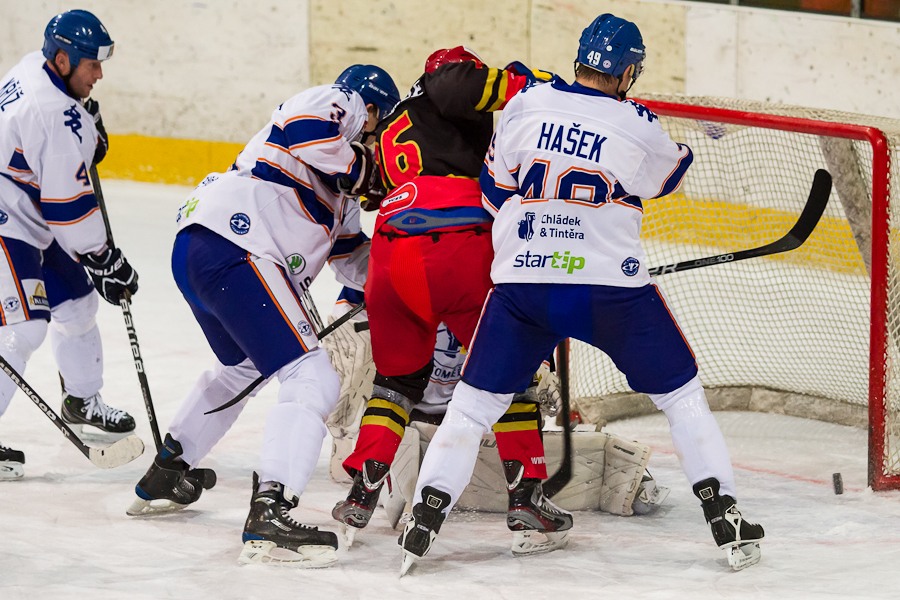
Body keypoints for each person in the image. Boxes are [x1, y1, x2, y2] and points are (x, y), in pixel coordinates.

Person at [399, 14, 765, 576]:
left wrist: (544, 241)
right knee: (681, 397)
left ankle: (424, 519)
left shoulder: (526, 104)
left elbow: (495, 191)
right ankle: (726, 517)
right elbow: (667, 178)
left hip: (523, 286)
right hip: (610, 291)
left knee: (472, 407)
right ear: (627, 71)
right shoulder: (637, 122)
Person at [127, 64, 400, 569]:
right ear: (372, 112)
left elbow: (351, 261)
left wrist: (405, 271)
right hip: (239, 247)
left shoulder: (338, 198)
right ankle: (271, 511)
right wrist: (369, 170)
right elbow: (307, 129)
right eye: (381, 129)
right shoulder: (339, 101)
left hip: (204, 250)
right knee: (312, 376)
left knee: (244, 368)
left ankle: (170, 467)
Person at [329, 47, 574, 555]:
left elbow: (371, 191)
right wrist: (542, 83)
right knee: (508, 372)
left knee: (396, 382)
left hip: (392, 252)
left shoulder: (392, 125)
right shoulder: (450, 88)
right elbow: (457, 84)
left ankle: (364, 484)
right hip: (458, 242)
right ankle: (527, 494)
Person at [0, 9, 140, 479]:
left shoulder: (36, 68)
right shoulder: (53, 115)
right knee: (23, 328)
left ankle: (81, 400)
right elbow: (68, 207)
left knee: (78, 306)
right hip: (8, 220)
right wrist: (103, 257)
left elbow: (53, 150)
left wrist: (85, 131)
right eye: (91, 65)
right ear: (62, 60)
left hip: (26, 208)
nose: (99, 74)